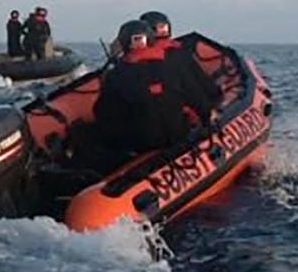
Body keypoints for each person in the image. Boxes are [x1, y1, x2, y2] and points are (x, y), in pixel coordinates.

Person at [92, 20, 213, 163]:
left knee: (91, 131)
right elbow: (196, 96)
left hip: (141, 142)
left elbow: (102, 112)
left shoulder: (117, 75)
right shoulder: (173, 64)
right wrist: (209, 118)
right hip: (177, 134)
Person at [139, 10, 223, 109]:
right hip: (184, 111)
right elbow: (195, 83)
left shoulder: (137, 58)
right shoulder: (178, 53)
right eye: (161, 27)